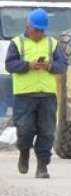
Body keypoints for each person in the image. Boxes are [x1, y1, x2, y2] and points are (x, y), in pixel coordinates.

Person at [4, 9, 65, 178]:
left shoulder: (52, 43)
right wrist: (28, 66)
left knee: (47, 132)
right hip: (24, 96)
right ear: (28, 26)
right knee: (25, 130)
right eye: (36, 30)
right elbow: (10, 65)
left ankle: (42, 167)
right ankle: (24, 152)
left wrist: (49, 66)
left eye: (41, 30)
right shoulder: (17, 43)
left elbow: (62, 65)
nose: (39, 33)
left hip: (47, 96)